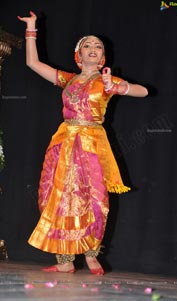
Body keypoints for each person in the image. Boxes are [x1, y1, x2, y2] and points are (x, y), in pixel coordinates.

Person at [18, 11, 148, 275]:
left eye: (98, 46)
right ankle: (65, 261)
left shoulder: (106, 81)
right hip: (63, 143)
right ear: (78, 55)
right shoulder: (69, 79)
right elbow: (33, 62)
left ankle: (91, 253)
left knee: (94, 198)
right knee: (57, 198)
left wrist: (117, 86)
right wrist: (31, 29)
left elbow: (142, 91)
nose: (93, 48)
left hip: (91, 143)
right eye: (87, 45)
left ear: (103, 59)